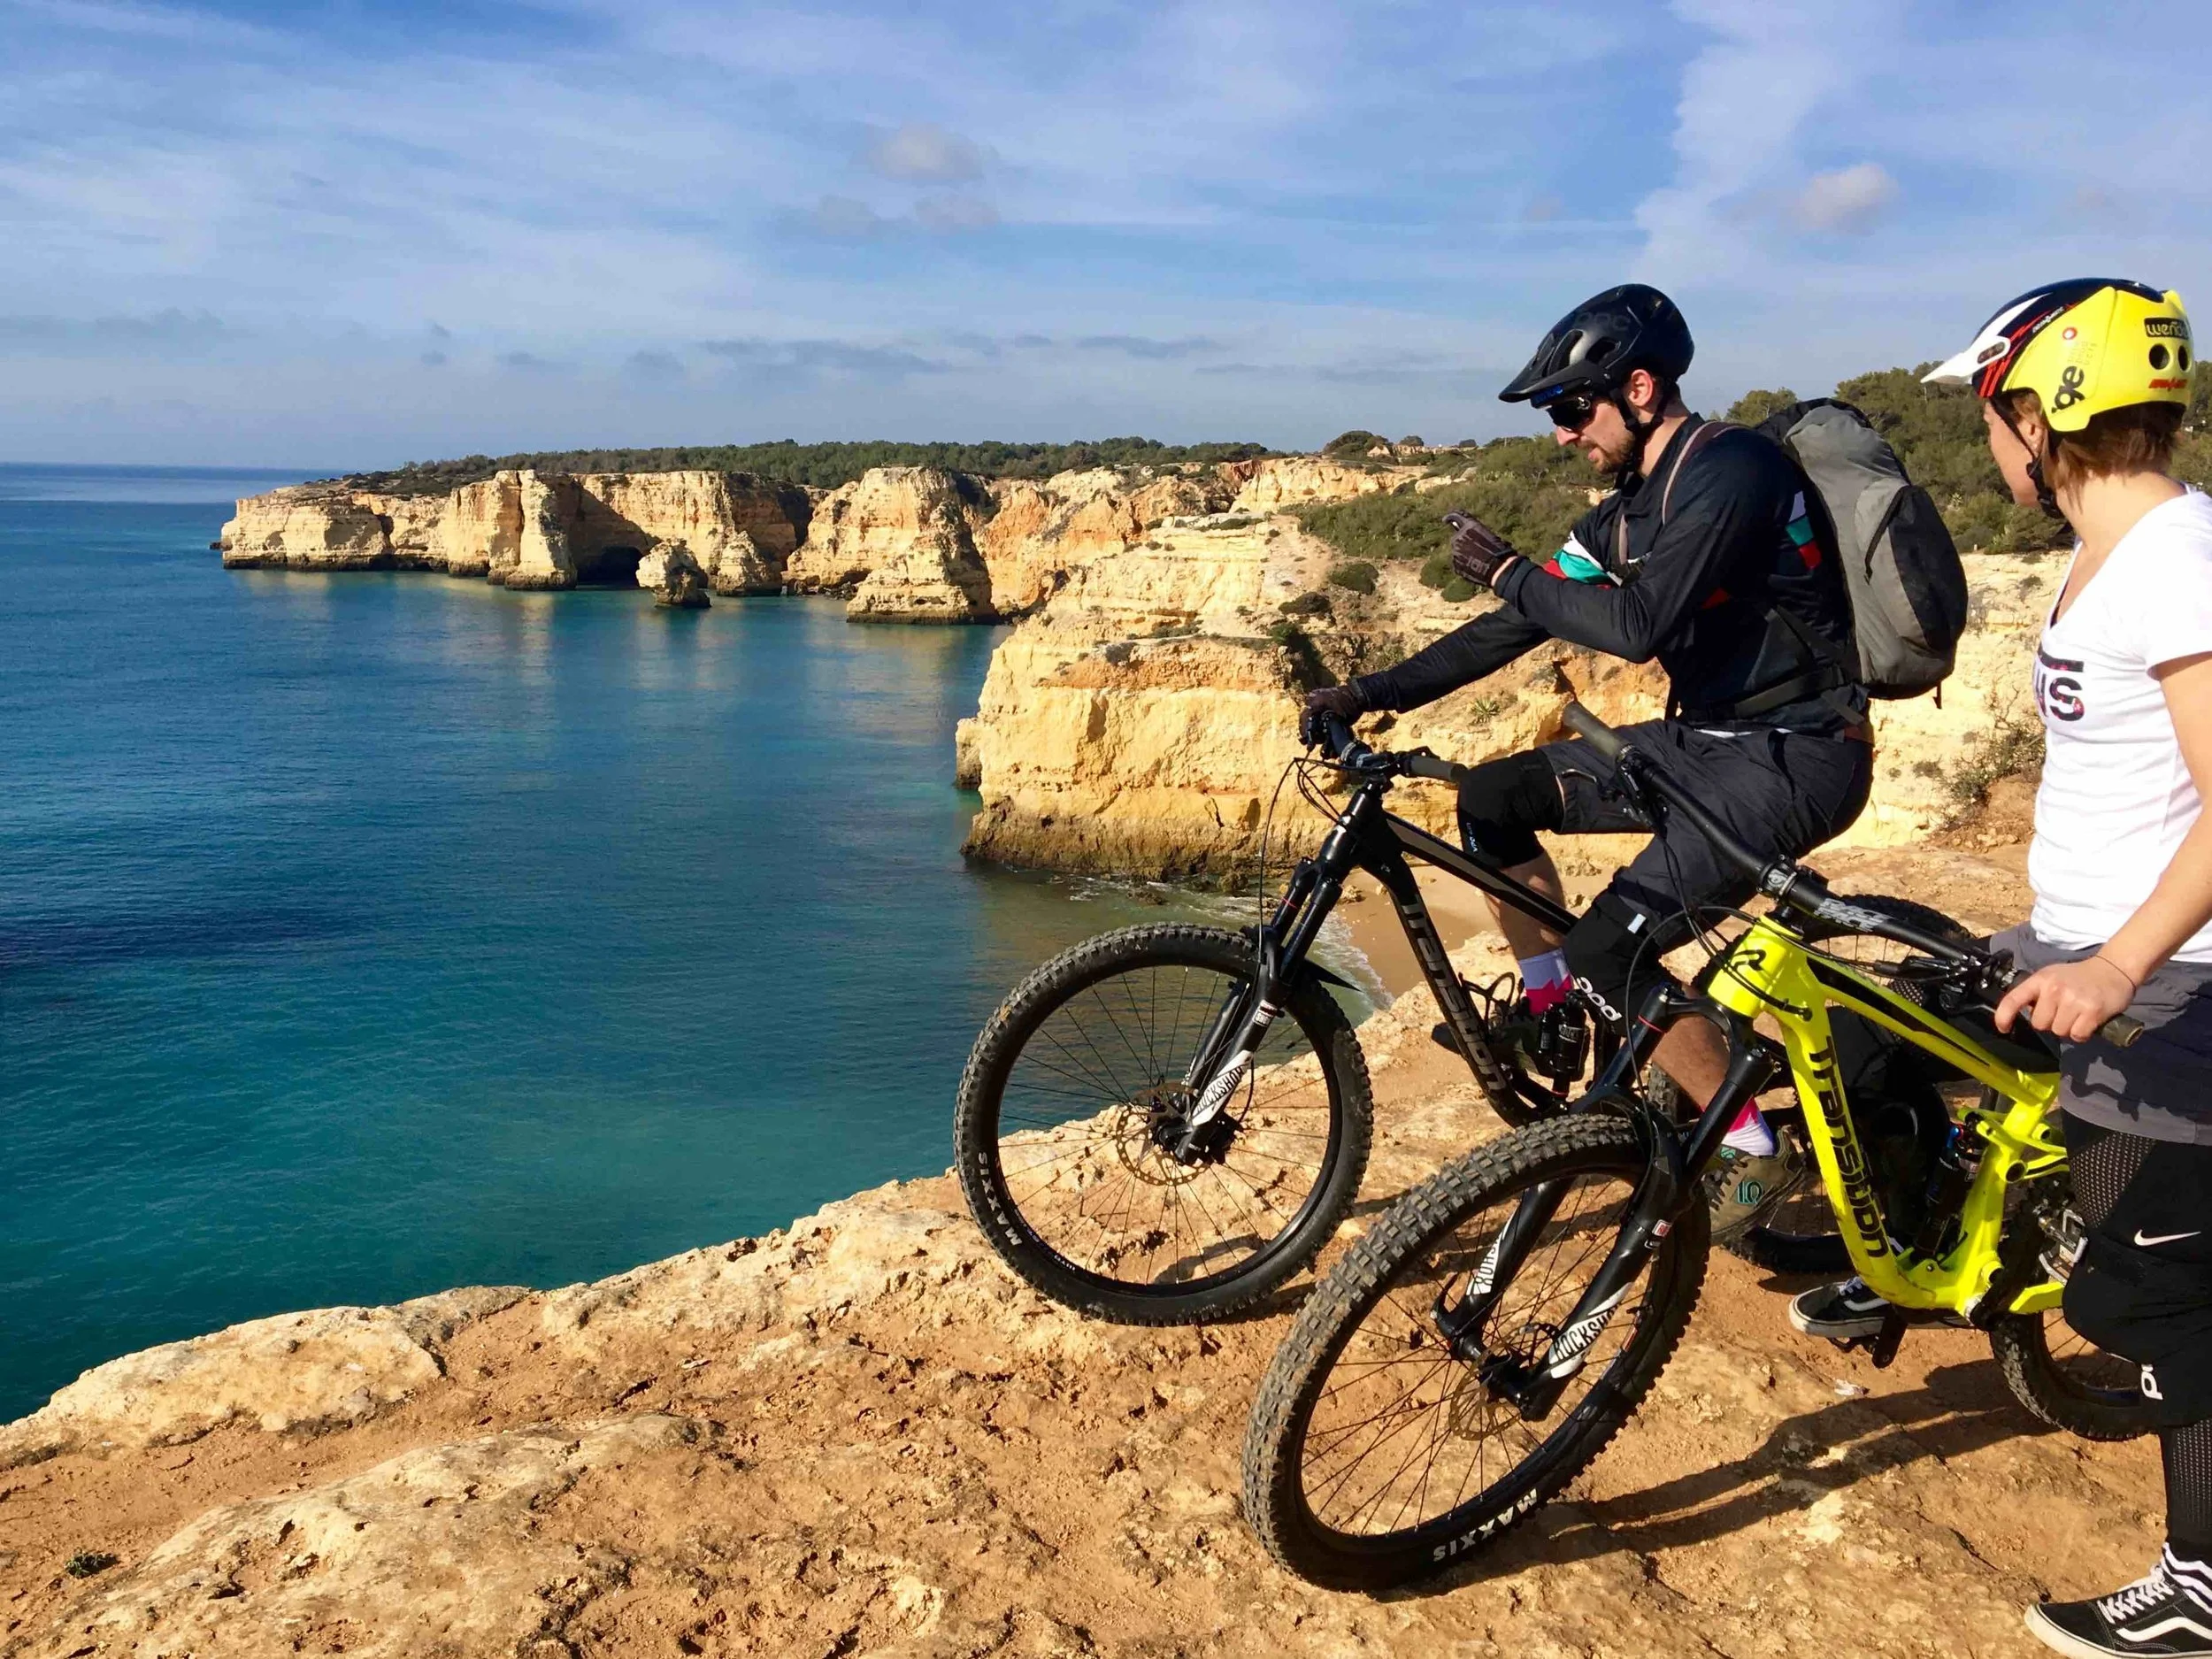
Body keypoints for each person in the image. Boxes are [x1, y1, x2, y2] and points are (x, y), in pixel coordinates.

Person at [1786, 279, 2212, 1658]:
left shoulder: (2179, 556)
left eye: (1996, 413)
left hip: (2171, 981)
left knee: (2149, 1299)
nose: (1990, 444)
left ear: (2044, 413)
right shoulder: (2105, 552)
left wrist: (2119, 963)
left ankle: (2203, 1589)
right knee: (1877, 1027)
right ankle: (1914, 1260)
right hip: (2075, 940)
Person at [1301, 282, 1874, 1239]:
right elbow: (1512, 625)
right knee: (1490, 795)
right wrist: (1366, 692)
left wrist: (1507, 568)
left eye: (1572, 409)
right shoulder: (1625, 513)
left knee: (1615, 946)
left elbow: (1639, 625)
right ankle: (1552, 1006)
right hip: (1704, 746)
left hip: (1795, 757)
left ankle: (1747, 1144)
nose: (1562, 434)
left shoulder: (1733, 470)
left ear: (1639, 388)